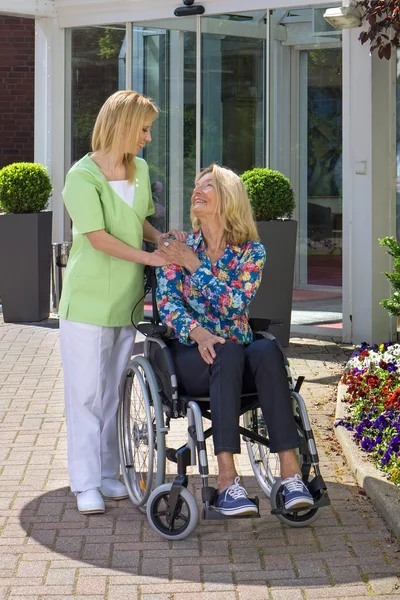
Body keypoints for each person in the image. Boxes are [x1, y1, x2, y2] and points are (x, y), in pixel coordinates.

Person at [155, 164, 314, 516]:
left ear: (228, 197)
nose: (197, 190)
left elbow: (235, 305)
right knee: (225, 352)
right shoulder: (175, 247)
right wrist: (199, 333)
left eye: (207, 185)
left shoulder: (250, 253)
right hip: (191, 356)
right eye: (196, 185)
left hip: (238, 355)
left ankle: (291, 476)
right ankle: (227, 482)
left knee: (268, 348)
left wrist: (196, 265)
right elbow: (167, 305)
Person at [59, 90, 184, 515]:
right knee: (87, 394)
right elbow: (97, 237)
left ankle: (110, 473)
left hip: (126, 299)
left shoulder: (140, 169)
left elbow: (139, 223)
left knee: (114, 391)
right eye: (144, 129)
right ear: (124, 126)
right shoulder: (82, 177)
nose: (148, 137)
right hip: (89, 299)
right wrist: (151, 256)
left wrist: (161, 240)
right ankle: (85, 482)